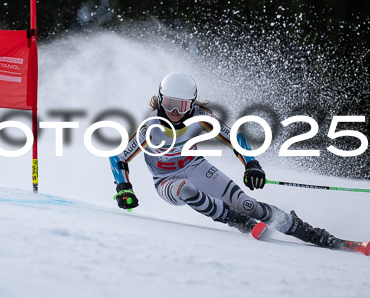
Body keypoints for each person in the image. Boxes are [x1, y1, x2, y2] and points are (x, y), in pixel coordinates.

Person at [109, 72, 338, 248]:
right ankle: (234, 219)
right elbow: (119, 157)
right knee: (186, 189)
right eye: (169, 104)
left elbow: (235, 137)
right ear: (160, 100)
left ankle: (308, 232)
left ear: (192, 104)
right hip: (166, 180)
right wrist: (123, 189)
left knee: (249, 205)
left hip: (197, 167)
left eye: (183, 105)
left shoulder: (201, 118)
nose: (175, 112)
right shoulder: (149, 127)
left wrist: (251, 164)